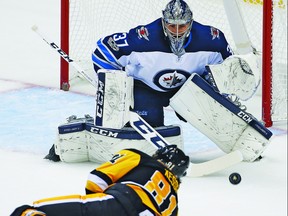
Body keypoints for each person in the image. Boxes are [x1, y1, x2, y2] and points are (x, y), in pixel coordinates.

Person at [92, 0, 233, 127]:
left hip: (186, 90)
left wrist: (216, 86)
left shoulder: (211, 40)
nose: (177, 32)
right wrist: (113, 86)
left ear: (190, 23)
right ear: (164, 22)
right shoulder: (142, 39)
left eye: (182, 26)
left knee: (215, 118)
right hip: (146, 88)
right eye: (172, 26)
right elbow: (102, 53)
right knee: (150, 125)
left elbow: (229, 67)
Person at [11, 145, 190, 216]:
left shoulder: (141, 158)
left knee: (30, 211)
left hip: (118, 204)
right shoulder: (174, 206)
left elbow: (96, 180)